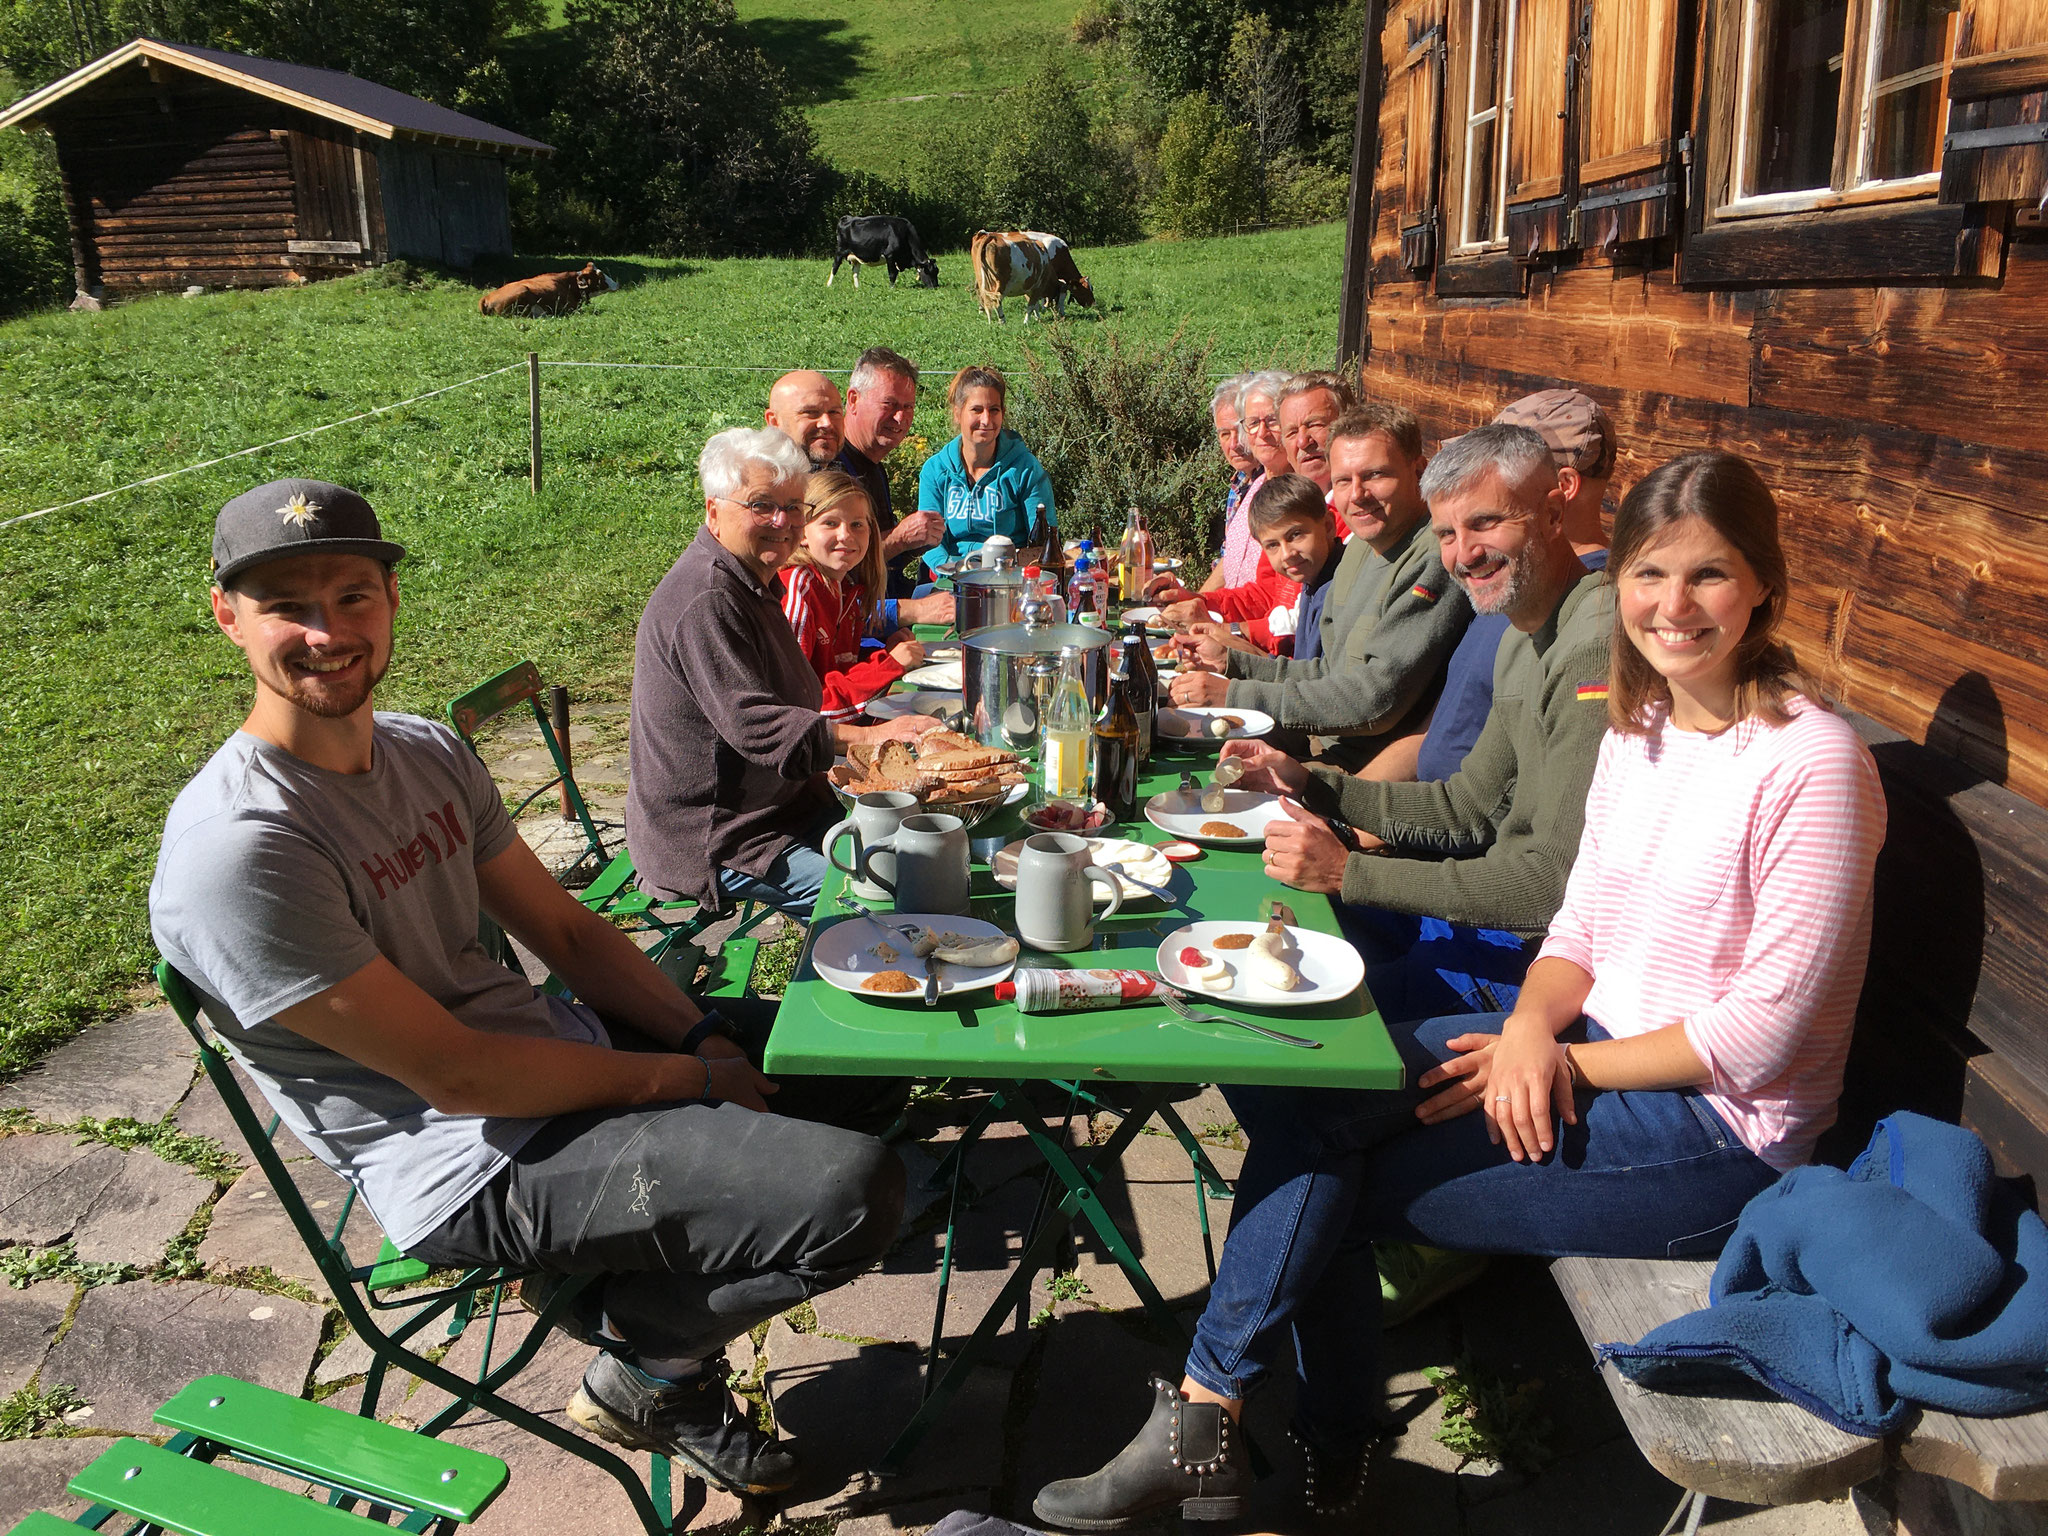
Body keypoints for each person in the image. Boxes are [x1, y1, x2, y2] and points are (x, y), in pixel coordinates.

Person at [1030, 450, 1885, 1530]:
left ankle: (1258, 1436)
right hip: (1579, 1043)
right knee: (1313, 1102)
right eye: (1649, 575)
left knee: (1327, 1186)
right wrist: (1529, 1023)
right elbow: (1581, 920)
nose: (1672, 607)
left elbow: (1765, 1035)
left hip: (1714, 1130)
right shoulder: (1645, 731)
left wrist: (1562, 1059)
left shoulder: (1810, 763)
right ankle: (1251, 1436)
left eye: (1707, 575)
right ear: (1619, 582)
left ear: (1762, 582)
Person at [151, 478, 910, 1499]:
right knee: (850, 1193)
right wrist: (690, 1081)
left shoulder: (423, 752)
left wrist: (700, 1038)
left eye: (352, 596)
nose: (327, 633)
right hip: (460, 1157)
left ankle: (619, 1270)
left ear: (391, 599)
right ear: (226, 615)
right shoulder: (240, 847)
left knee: (863, 1058)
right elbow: (457, 1077)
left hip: (554, 1054)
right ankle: (652, 1368)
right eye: (288, 605)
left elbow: (565, 929)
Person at [627, 429, 936, 918]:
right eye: (761, 505)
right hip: (722, 833)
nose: (782, 521)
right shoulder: (708, 598)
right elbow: (758, 726)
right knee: (875, 899)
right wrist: (869, 738)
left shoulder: (752, 580)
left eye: (793, 507)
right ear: (713, 510)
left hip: (784, 801)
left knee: (920, 854)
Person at [1166, 406, 1472, 773]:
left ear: (1419, 471)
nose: (1357, 495)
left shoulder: (1434, 560)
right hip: (1316, 743)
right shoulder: (1362, 546)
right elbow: (1328, 671)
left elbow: (1375, 700)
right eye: (1343, 481)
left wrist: (1234, 692)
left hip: (1358, 770)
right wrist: (1232, 663)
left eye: (1374, 475)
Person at [1415, 389, 1618, 784]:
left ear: (1560, 493)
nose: (1465, 551)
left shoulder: (1581, 614)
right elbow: (1445, 733)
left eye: (1504, 456)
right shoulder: (1508, 589)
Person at [781, 470, 924, 722]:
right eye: (830, 523)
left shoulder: (843, 587)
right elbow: (800, 711)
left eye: (857, 524)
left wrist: (884, 656)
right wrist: (889, 666)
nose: (845, 535)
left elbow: (839, 672)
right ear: (802, 532)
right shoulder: (798, 589)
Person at [831, 347, 953, 622]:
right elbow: (841, 572)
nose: (900, 418)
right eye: (889, 404)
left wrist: (917, 543)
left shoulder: (872, 464)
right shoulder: (832, 471)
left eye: (908, 407)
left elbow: (881, 564)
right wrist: (899, 539)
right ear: (853, 400)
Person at [917, 366, 1056, 572]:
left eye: (994, 410)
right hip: (952, 575)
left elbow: (1043, 543)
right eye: (976, 410)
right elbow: (929, 541)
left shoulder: (1025, 469)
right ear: (957, 413)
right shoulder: (935, 470)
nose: (986, 420)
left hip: (1009, 576)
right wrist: (953, 572)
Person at [1199, 371, 1262, 593]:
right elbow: (1230, 558)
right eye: (1225, 434)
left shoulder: (1272, 484)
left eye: (1239, 431)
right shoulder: (1240, 481)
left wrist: (1199, 600)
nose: (1234, 444)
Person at [763, 370, 846, 468]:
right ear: (774, 421)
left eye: (834, 412)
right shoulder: (757, 474)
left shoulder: (849, 470)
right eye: (810, 412)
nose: (827, 423)